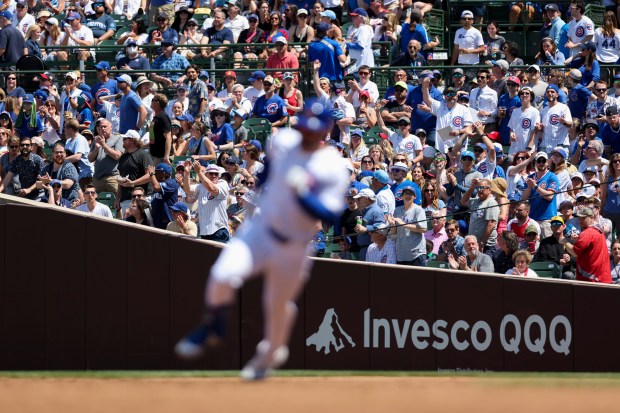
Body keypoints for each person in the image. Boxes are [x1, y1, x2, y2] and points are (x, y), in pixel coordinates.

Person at [174, 100, 348, 380]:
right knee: (222, 274)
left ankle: (270, 353)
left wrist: (302, 192)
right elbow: (268, 170)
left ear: (326, 131)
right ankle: (212, 325)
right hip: (261, 229)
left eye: (313, 131)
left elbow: (329, 213)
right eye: (304, 128)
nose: (306, 135)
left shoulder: (332, 166)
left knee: (277, 304)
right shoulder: (286, 141)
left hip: (294, 246)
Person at [561, 207, 611, 283]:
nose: (580, 220)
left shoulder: (587, 233)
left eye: (583, 218)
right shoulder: (598, 230)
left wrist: (564, 241)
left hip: (591, 281)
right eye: (579, 218)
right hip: (602, 278)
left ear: (591, 218)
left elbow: (574, 252)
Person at [182, 163, 230, 242]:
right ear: (206, 175)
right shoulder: (201, 186)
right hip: (204, 231)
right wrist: (187, 172)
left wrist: (199, 172)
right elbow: (187, 190)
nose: (214, 176)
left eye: (216, 174)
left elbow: (212, 188)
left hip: (218, 230)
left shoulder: (222, 184)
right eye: (211, 173)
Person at [387, 182, 427, 266]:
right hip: (401, 254)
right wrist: (392, 225)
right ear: (402, 196)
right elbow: (394, 233)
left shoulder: (418, 210)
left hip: (416, 254)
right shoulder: (397, 210)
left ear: (414, 197)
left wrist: (403, 224)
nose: (408, 196)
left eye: (410, 194)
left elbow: (423, 229)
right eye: (405, 193)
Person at [115, 129, 153, 214]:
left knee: (146, 224)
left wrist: (133, 183)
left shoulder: (143, 155)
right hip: (126, 199)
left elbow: (150, 175)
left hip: (142, 198)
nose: (122, 141)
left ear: (132, 140)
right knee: (128, 226)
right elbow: (121, 180)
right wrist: (117, 198)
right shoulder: (123, 157)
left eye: (125, 139)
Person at [534, 215, 575, 279]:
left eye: (559, 224)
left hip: (566, 272)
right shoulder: (545, 242)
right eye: (553, 224)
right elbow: (542, 260)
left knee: (568, 275)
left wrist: (569, 259)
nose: (556, 226)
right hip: (549, 272)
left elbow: (577, 259)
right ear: (551, 227)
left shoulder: (569, 242)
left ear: (564, 226)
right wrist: (558, 262)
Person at [88, 118, 124, 193]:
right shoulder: (96, 140)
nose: (103, 129)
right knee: (96, 201)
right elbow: (90, 159)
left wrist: (103, 145)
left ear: (111, 127)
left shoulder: (118, 138)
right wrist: (96, 148)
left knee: (116, 200)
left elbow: (117, 156)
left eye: (105, 127)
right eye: (101, 127)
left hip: (112, 177)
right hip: (97, 178)